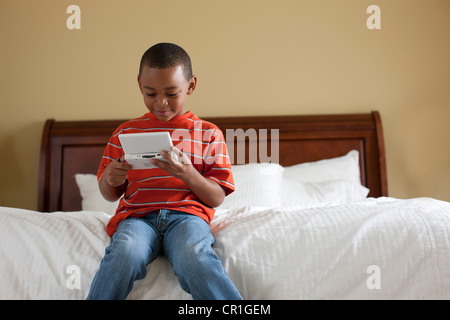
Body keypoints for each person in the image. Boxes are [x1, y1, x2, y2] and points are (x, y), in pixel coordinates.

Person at [86, 43, 242, 300]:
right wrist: (111, 178)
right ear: (139, 85)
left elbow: (216, 198)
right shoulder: (126, 132)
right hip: (137, 218)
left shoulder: (208, 133)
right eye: (150, 93)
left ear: (190, 86)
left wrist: (188, 174)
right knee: (125, 253)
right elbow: (109, 193)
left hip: (187, 217)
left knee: (194, 257)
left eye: (172, 93)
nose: (161, 102)